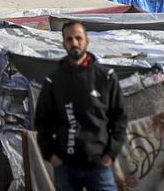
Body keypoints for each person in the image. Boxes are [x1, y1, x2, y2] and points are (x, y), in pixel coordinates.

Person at [35, 21, 128, 191]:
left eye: (78, 38)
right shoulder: (54, 81)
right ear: (64, 43)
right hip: (65, 166)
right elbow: (42, 122)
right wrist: (51, 156)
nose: (74, 43)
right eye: (69, 39)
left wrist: (110, 155)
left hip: (99, 165)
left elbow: (120, 119)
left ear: (87, 40)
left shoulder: (105, 77)